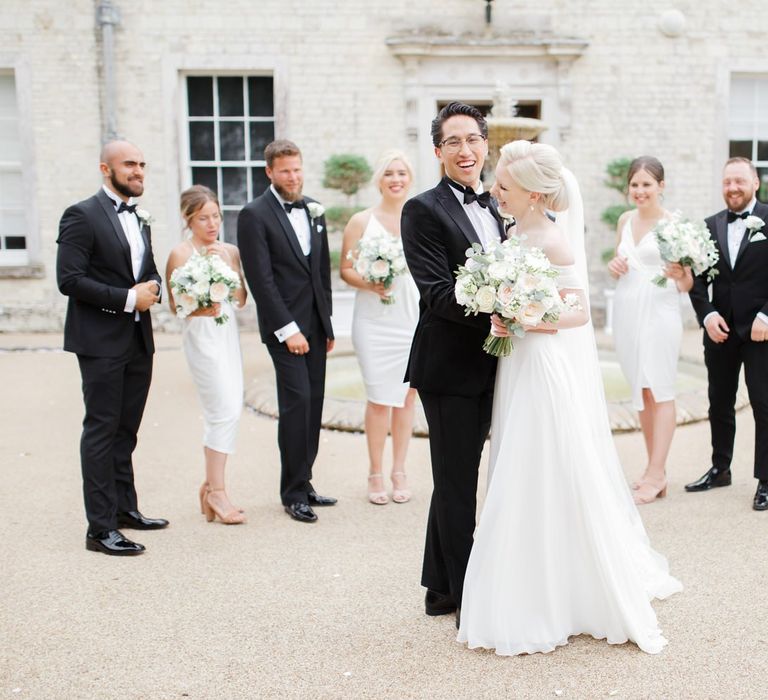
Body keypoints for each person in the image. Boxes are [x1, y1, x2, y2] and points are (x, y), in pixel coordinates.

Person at [457, 140, 682, 655]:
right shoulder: (514, 230)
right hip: (516, 362)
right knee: (516, 452)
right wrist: (500, 312)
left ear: (535, 194)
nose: (496, 193)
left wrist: (528, 318)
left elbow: (578, 314)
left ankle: (561, 584)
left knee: (541, 461)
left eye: (505, 187)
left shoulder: (556, 242)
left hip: (542, 365)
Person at [401, 103, 505, 620]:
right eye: (453, 142)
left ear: (486, 144)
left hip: (501, 365)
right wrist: (501, 313)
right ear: (438, 150)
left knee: (453, 480)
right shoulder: (421, 209)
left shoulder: (503, 206)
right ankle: (468, 597)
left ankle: (439, 587)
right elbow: (437, 292)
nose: (465, 151)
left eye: (473, 140)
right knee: (458, 482)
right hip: (449, 367)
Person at [56, 140, 168, 556]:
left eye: (142, 163)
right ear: (106, 168)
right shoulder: (81, 215)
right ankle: (99, 529)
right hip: (100, 341)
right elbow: (69, 280)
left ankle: (125, 509)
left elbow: (147, 269)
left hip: (139, 338)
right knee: (101, 431)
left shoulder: (140, 217)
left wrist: (154, 286)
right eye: (129, 164)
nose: (138, 170)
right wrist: (126, 298)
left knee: (126, 430)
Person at [237, 140, 337, 523]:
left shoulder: (314, 208)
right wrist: (288, 329)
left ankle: (305, 480)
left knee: (313, 405)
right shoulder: (254, 215)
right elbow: (261, 281)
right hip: (285, 329)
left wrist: (326, 325)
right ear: (270, 172)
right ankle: (292, 492)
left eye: (297, 169)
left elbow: (321, 274)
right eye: (285, 171)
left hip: (315, 325)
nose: (293, 177)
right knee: (296, 406)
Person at [607, 157, 693, 504]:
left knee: (660, 388)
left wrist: (678, 274)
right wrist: (614, 266)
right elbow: (618, 264)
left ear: (661, 186)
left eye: (646, 184)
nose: (639, 191)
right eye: (635, 184)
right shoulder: (625, 220)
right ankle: (652, 470)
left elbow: (687, 282)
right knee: (640, 390)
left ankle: (657, 474)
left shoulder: (675, 226)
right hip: (627, 310)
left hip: (660, 311)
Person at [687, 157, 768, 511]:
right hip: (719, 331)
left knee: (764, 404)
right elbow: (696, 281)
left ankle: (766, 480)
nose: (732, 188)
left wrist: (767, 315)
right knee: (719, 401)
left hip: (761, 330)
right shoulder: (708, 225)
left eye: (739, 181)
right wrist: (707, 315)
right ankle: (721, 468)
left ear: (755, 183)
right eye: (726, 182)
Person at [340, 150, 419, 505]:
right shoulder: (361, 220)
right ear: (379, 180)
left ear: (410, 178)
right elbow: (346, 269)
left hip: (411, 318)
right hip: (373, 321)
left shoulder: (421, 218)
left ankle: (399, 469)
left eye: (402, 173)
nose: (396, 179)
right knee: (377, 398)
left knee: (406, 398)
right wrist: (371, 283)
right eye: (389, 174)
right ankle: (375, 471)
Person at [166, 185, 247, 525]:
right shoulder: (180, 254)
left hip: (227, 335)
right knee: (222, 410)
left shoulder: (229, 250)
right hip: (201, 338)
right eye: (203, 218)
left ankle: (209, 486)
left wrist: (227, 264)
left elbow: (241, 299)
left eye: (215, 216)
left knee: (233, 406)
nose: (212, 223)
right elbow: (175, 307)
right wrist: (200, 306)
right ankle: (217, 491)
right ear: (189, 219)